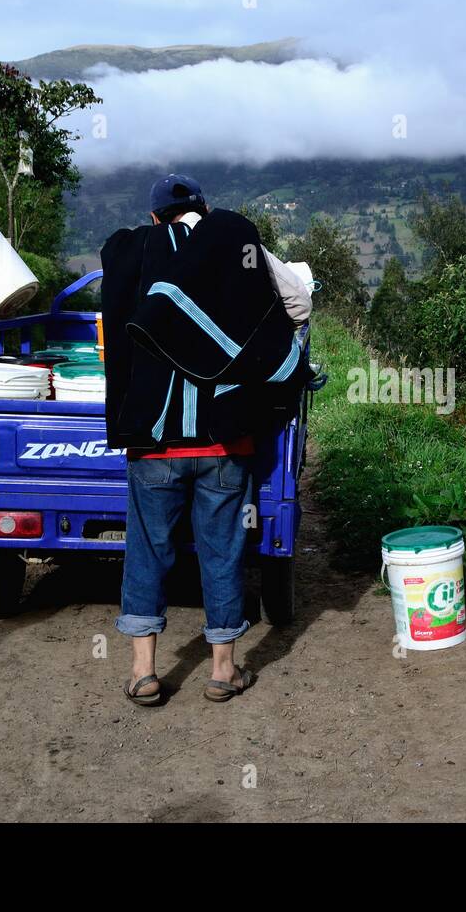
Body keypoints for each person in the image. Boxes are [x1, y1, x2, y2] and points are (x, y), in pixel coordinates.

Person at [101, 174, 309, 706]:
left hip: (152, 439)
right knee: (222, 552)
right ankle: (223, 671)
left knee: (148, 552)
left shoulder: (130, 250)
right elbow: (298, 305)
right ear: (206, 210)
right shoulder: (238, 247)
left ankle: (145, 673)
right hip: (223, 441)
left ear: (154, 218)